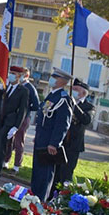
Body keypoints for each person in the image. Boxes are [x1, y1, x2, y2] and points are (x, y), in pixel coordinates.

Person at [30, 69, 74, 201]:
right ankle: (32, 200)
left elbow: (62, 124)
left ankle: (40, 202)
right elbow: (44, 119)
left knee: (45, 174)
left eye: (55, 76)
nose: (51, 78)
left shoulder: (63, 99)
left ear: (62, 81)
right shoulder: (51, 96)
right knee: (37, 173)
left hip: (49, 143)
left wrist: (55, 143)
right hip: (41, 139)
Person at [53, 79, 95, 189]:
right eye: (73, 89)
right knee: (55, 172)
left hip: (74, 145)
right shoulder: (66, 101)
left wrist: (75, 105)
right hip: (61, 141)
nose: (73, 91)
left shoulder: (89, 107)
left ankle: (62, 197)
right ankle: (50, 195)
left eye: (76, 90)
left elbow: (86, 120)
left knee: (66, 173)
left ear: (84, 93)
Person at [2, 67, 40, 172]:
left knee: (19, 142)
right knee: (9, 141)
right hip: (13, 116)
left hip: (23, 118)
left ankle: (16, 166)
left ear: (26, 76)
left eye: (21, 74)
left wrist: (25, 109)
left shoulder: (29, 88)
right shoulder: (15, 86)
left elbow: (36, 105)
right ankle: (5, 161)